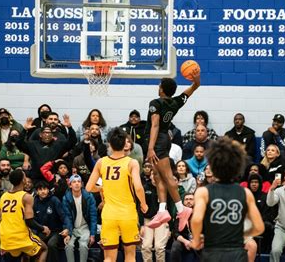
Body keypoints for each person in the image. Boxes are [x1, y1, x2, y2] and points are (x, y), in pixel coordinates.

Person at [189, 137, 264, 261]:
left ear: (213, 166)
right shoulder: (246, 193)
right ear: (238, 167)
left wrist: (196, 239)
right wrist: (239, 235)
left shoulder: (203, 192)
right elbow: (259, 227)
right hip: (237, 252)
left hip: (213, 252)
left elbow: (196, 220)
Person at [145, 71, 201, 230]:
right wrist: (196, 82)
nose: (158, 87)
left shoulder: (155, 103)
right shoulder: (176, 101)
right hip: (163, 139)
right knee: (157, 175)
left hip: (158, 141)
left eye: (159, 85)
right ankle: (162, 210)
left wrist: (150, 147)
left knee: (168, 176)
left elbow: (155, 124)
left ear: (162, 89)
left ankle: (182, 210)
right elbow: (191, 91)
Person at [86, 128, 148, 262]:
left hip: (109, 215)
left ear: (109, 143)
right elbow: (138, 187)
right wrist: (143, 204)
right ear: (125, 143)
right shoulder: (132, 163)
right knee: (130, 256)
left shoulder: (101, 162)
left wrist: (102, 187)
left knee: (108, 258)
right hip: (128, 214)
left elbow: (89, 187)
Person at [0, 169, 50, 262]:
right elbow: (29, 221)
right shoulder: (27, 197)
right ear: (23, 180)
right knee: (44, 249)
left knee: (24, 256)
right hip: (22, 238)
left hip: (7, 240)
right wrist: (43, 228)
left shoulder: (3, 196)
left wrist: (2, 242)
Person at [62, 174, 97, 262]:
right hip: (72, 227)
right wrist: (68, 233)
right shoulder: (66, 198)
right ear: (70, 185)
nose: (77, 184)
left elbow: (93, 216)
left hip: (85, 226)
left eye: (79, 182)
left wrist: (92, 234)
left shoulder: (89, 197)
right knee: (68, 246)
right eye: (74, 182)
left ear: (81, 184)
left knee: (83, 245)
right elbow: (67, 217)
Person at [140, 162, 169, 262]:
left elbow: (171, 206)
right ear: (150, 175)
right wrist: (141, 225)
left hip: (162, 220)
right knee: (146, 246)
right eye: (153, 174)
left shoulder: (165, 188)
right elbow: (138, 206)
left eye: (157, 174)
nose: (154, 176)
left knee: (159, 247)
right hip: (148, 220)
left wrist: (170, 225)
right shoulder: (144, 188)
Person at [33, 181, 67, 262]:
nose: (43, 191)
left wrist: (66, 228)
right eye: (40, 189)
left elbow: (63, 216)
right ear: (37, 192)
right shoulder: (35, 202)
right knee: (34, 244)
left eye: (45, 189)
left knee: (51, 244)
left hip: (56, 231)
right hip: (42, 231)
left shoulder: (54, 200)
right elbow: (33, 220)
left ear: (48, 190)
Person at [170, 193, 197, 262]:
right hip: (184, 240)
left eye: (191, 199)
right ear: (183, 202)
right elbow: (175, 233)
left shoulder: (200, 213)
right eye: (186, 199)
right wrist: (186, 242)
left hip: (197, 240)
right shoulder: (179, 214)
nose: (188, 201)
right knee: (175, 246)